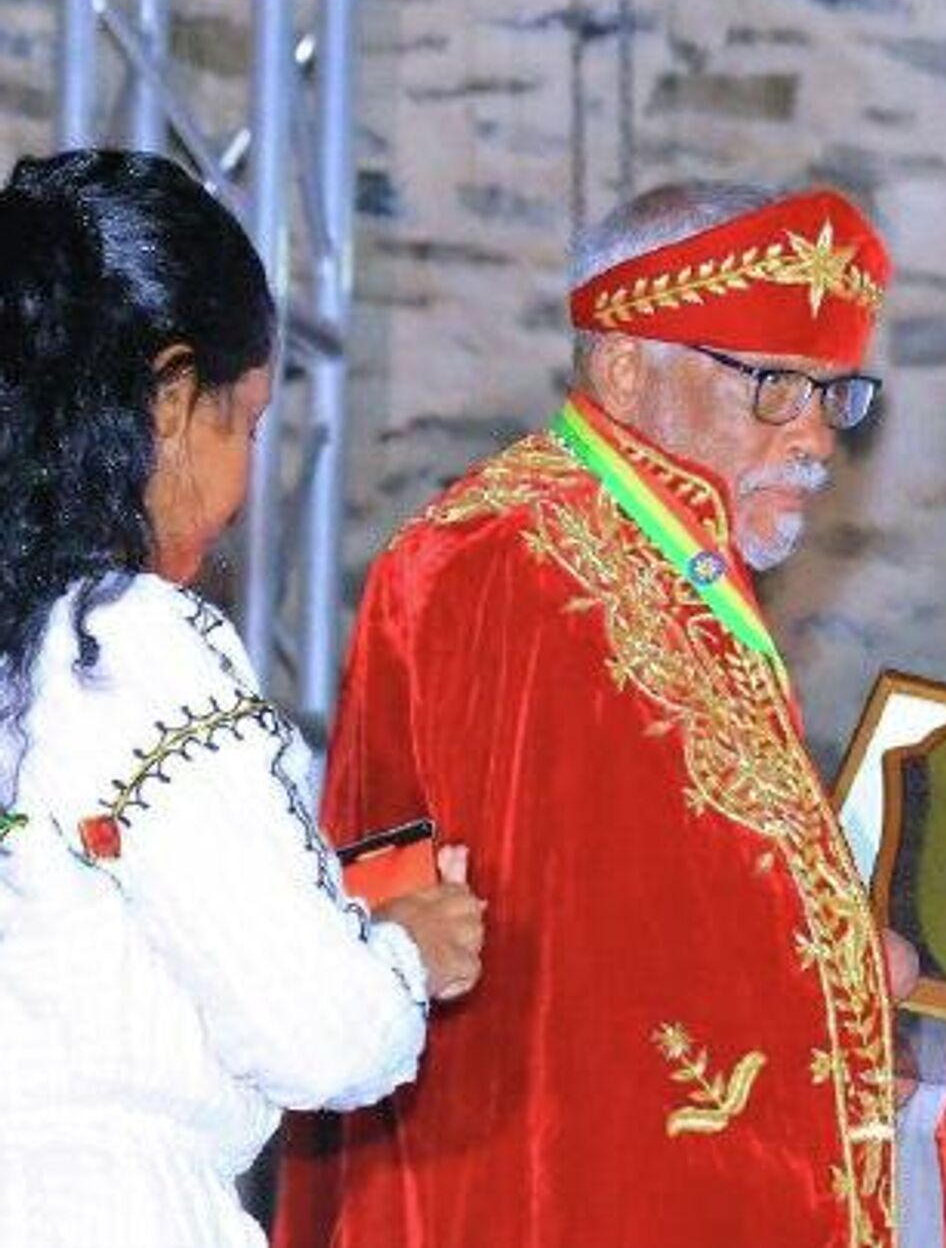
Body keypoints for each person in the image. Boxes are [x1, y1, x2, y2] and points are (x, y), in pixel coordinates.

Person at [274, 183, 908, 1248]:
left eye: (832, 393)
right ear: (623, 368)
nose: (813, 436)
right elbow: (429, 936)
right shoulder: (493, 562)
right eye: (773, 385)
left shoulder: (684, 569)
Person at [0, 149, 486, 1248]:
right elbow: (320, 1032)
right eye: (250, 423)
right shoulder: (127, 644)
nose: (245, 483)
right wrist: (405, 949)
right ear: (172, 399)